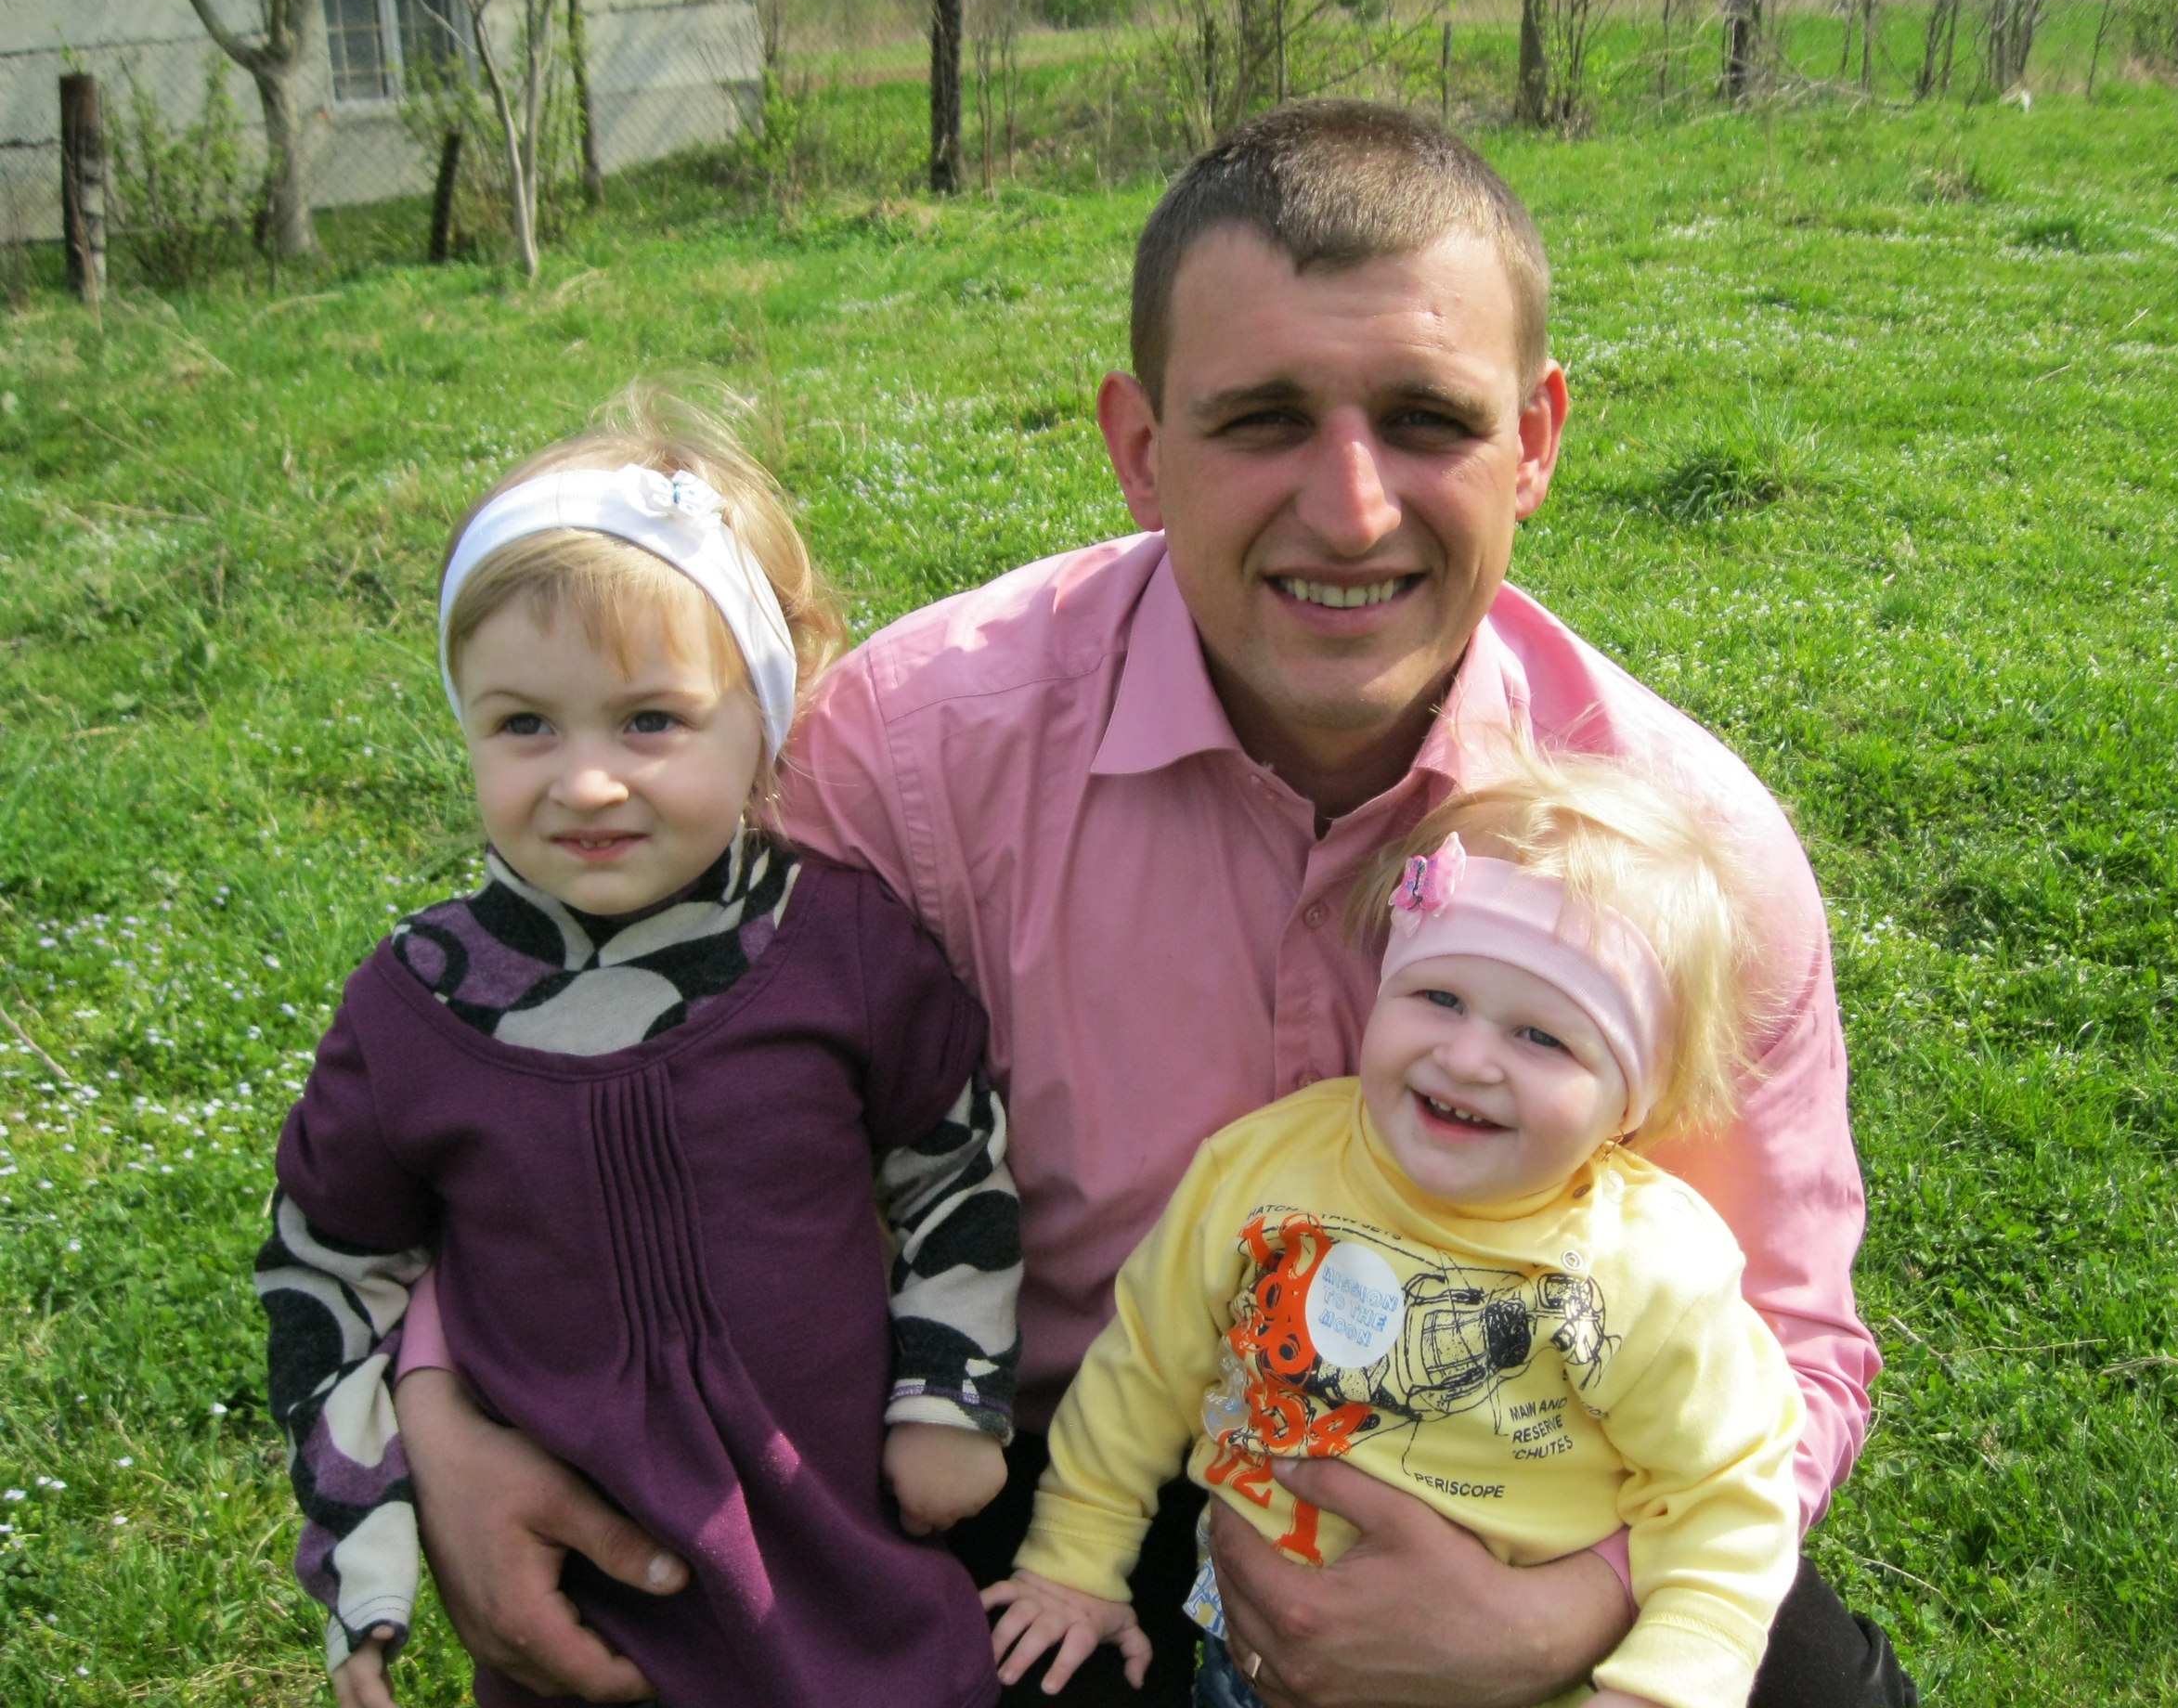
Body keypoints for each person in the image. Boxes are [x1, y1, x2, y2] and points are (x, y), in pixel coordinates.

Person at [389, 101, 1915, 1706]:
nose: (1351, 510)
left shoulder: (1684, 852)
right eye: (1262, 420)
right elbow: (616, 1064)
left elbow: (1792, 1341)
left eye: (1426, 420)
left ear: (1533, 440)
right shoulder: (917, 757)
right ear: (1139, 448)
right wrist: (447, 1406)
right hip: (1031, 1463)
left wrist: (1564, 1619)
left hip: (1515, 1487)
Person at [255, 390, 1020, 1708]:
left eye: (650, 721)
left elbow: (954, 1167)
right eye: (524, 725)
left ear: (761, 717)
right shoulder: (415, 1011)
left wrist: (951, 1396)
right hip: (593, 1638)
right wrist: (364, 1557)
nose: (586, 781)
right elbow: (329, 1275)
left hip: (862, 1596)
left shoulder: (839, 949)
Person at [982, 751, 1805, 1708]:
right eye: (1438, 998)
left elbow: (1725, 1496)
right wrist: (1073, 1563)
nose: (1468, 1057)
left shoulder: (1648, 1271)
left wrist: (1662, 1688)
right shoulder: (1264, 1168)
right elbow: (1144, 1370)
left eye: (1542, 1037)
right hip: (1248, 1653)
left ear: (1631, 1100)